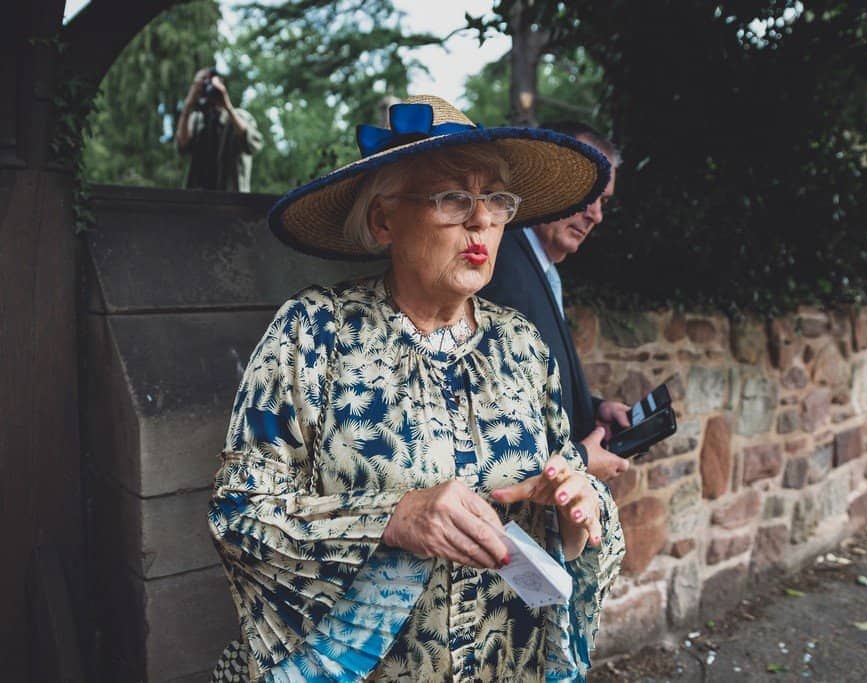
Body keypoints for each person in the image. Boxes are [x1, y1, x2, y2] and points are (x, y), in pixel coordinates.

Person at [208, 95, 624, 682]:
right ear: (384, 221)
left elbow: (563, 495)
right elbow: (239, 514)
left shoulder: (523, 346)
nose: (482, 221)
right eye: (454, 198)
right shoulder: (313, 332)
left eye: (496, 201)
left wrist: (573, 515)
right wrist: (394, 517)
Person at [480, 122, 631, 483]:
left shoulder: (542, 268)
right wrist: (579, 458)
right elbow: (498, 404)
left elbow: (534, 378)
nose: (596, 214)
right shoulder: (500, 264)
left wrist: (593, 409)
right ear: (547, 178)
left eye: (604, 201)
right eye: (588, 193)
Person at [175, 67, 263, 192]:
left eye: (208, 82)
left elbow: (252, 144)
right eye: (200, 82)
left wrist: (226, 105)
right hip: (197, 200)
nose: (205, 86)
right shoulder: (195, 119)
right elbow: (182, 146)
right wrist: (188, 104)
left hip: (233, 200)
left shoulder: (240, 116)